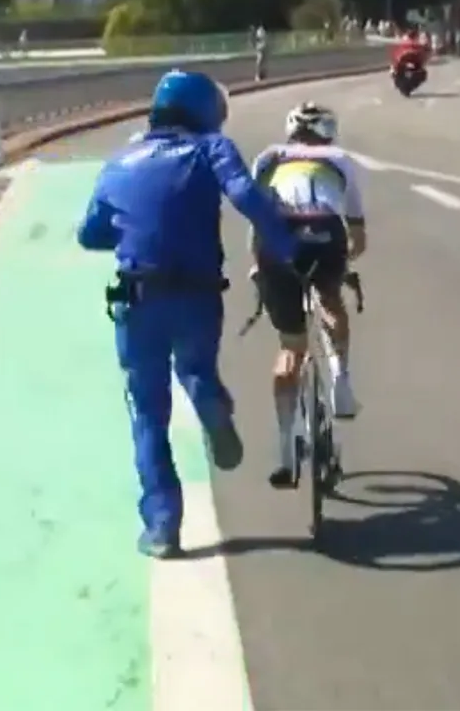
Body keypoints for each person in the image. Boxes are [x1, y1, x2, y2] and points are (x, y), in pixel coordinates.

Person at [76, 69, 301, 559]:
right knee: (197, 369)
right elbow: (244, 193)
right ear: (205, 110)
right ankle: (211, 404)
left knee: (147, 415)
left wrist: (134, 228)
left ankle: (162, 527)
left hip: (138, 298)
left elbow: (90, 234)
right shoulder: (211, 148)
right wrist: (286, 248)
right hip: (197, 294)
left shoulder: (119, 160)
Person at [247, 102, 367, 490]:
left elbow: (256, 221)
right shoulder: (339, 160)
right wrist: (340, 267)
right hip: (325, 234)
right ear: (327, 131)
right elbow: (357, 236)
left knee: (290, 347)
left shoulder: (268, 157)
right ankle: (341, 383)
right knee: (330, 303)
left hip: (276, 242)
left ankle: (285, 449)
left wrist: (258, 266)